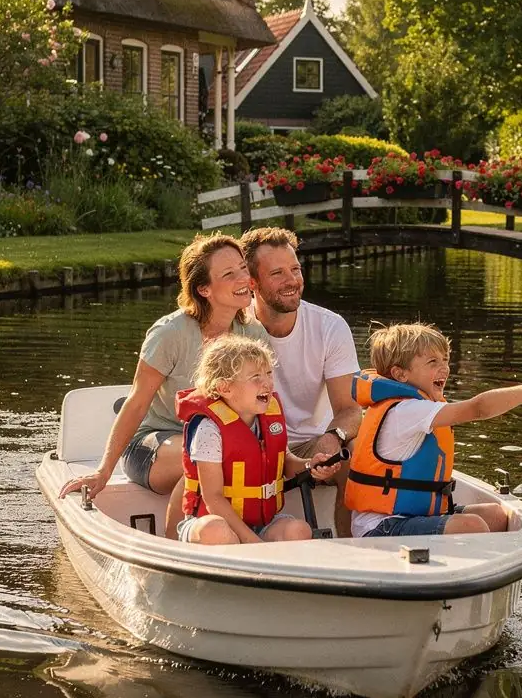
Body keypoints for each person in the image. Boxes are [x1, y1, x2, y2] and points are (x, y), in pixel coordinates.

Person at [60, 234, 264, 535]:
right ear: (203, 289)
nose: (243, 278)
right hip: (154, 443)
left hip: (225, 441)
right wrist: (103, 472)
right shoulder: (170, 334)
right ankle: (174, 550)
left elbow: (265, 401)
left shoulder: (253, 333)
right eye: (229, 274)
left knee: (214, 451)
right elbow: (137, 402)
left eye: (243, 268)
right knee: (200, 455)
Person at [345, 322, 522, 538]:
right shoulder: (408, 411)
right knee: (472, 526)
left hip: (410, 516)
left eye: (445, 359)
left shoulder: (418, 405)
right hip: (381, 527)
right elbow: (479, 408)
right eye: (432, 362)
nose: (444, 368)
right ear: (400, 374)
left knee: (499, 516)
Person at [242, 226, 361, 536]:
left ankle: (352, 551)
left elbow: (350, 409)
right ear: (252, 283)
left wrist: (333, 435)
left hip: (310, 444)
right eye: (278, 273)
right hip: (255, 443)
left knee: (357, 451)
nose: (292, 280)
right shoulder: (236, 327)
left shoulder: (330, 326)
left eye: (295, 269)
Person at [176, 334, 340, 546]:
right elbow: (213, 498)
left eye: (269, 374)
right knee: (215, 531)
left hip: (262, 523)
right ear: (225, 388)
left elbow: (285, 463)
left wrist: (310, 465)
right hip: (211, 523)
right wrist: (251, 542)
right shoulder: (209, 429)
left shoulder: (267, 418)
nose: (267, 383)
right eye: (256, 378)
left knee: (299, 531)